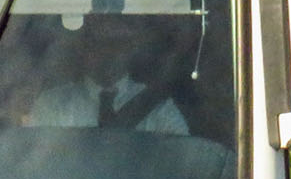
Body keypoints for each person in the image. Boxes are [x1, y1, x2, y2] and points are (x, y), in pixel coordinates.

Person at [23, 23, 188, 134]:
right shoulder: (52, 105)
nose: (109, 52)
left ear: (132, 49)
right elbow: (36, 168)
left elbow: (183, 163)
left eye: (118, 43)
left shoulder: (160, 109)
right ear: (84, 49)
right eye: (99, 43)